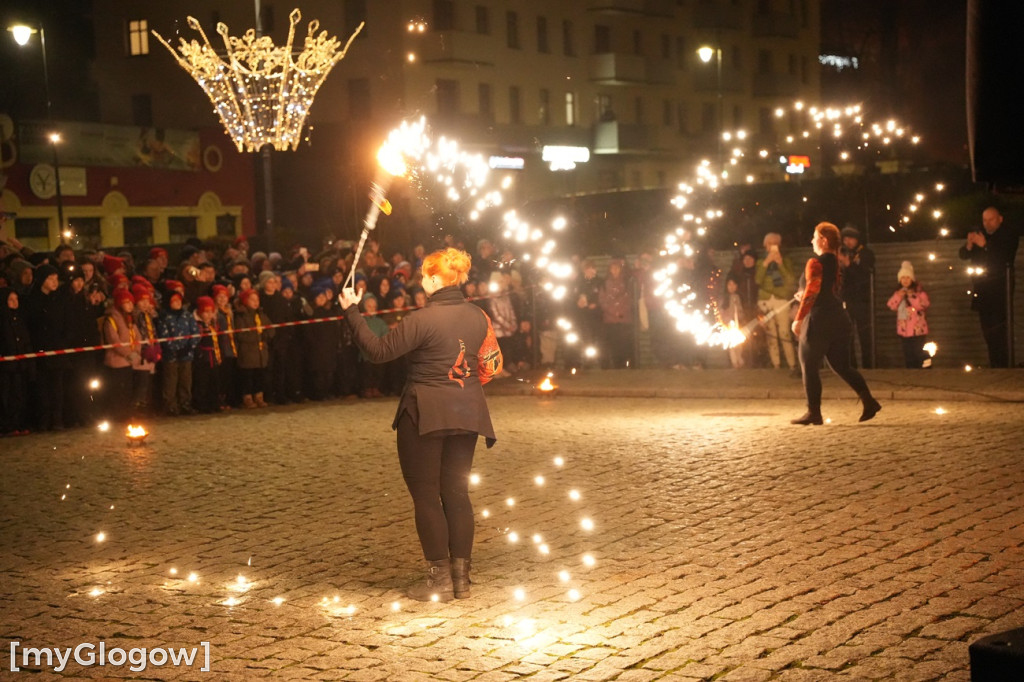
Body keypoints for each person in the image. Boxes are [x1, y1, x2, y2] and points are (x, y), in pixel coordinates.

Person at [338, 247, 503, 602]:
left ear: (435, 279)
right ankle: (461, 580)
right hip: (468, 411)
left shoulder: (422, 319)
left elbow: (378, 351)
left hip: (425, 413)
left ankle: (440, 580)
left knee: (426, 495)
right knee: (457, 493)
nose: (421, 281)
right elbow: (490, 364)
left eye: (425, 276)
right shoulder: (478, 316)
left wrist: (351, 310)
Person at [790, 222, 881, 425]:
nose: (812, 241)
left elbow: (812, 292)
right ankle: (869, 401)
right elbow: (828, 290)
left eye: (815, 237)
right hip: (839, 319)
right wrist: (803, 295)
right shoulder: (838, 263)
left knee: (808, 364)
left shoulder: (815, 263)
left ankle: (814, 412)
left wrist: (798, 318)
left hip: (819, 319)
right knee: (842, 366)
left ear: (823, 240)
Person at [958, 206, 1020, 367]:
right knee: (987, 331)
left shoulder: (1008, 234)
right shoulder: (982, 234)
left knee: (1000, 331)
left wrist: (985, 245)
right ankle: (995, 365)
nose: (987, 223)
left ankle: (1004, 366)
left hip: (1000, 291)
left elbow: (1003, 257)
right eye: (984, 220)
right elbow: (963, 255)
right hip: (982, 289)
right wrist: (969, 244)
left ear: (1000, 219)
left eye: (991, 219)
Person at [755, 232, 798, 371]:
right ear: (765, 246)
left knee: (785, 332)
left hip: (781, 300)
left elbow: (791, 280)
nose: (772, 246)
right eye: (769, 244)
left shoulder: (786, 260)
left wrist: (780, 264)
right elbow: (757, 280)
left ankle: (792, 364)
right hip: (765, 301)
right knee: (771, 334)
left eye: (775, 244)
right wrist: (766, 263)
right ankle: (776, 364)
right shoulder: (761, 262)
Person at [838, 226, 876, 368]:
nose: (848, 242)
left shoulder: (866, 254)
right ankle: (851, 366)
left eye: (851, 238)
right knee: (847, 335)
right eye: (845, 239)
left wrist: (849, 265)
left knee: (865, 335)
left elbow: (865, 276)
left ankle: (869, 366)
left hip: (863, 300)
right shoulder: (841, 253)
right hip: (846, 300)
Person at [886, 261, 932, 369]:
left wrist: (911, 296)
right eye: (903, 278)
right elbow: (891, 305)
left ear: (912, 279)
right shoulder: (898, 293)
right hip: (904, 330)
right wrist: (899, 296)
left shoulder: (920, 293)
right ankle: (910, 372)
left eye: (908, 277)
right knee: (908, 353)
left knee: (919, 352)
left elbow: (923, 305)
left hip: (918, 330)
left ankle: (924, 369)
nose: (905, 280)